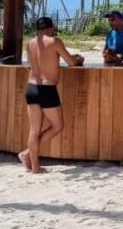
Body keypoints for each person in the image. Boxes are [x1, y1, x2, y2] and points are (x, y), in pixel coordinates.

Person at [19, 16, 84, 173]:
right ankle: (26, 153)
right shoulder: (55, 41)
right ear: (50, 28)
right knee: (57, 126)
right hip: (47, 89)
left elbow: (33, 64)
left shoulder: (30, 43)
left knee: (34, 130)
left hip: (31, 88)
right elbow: (71, 62)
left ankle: (34, 166)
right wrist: (78, 58)